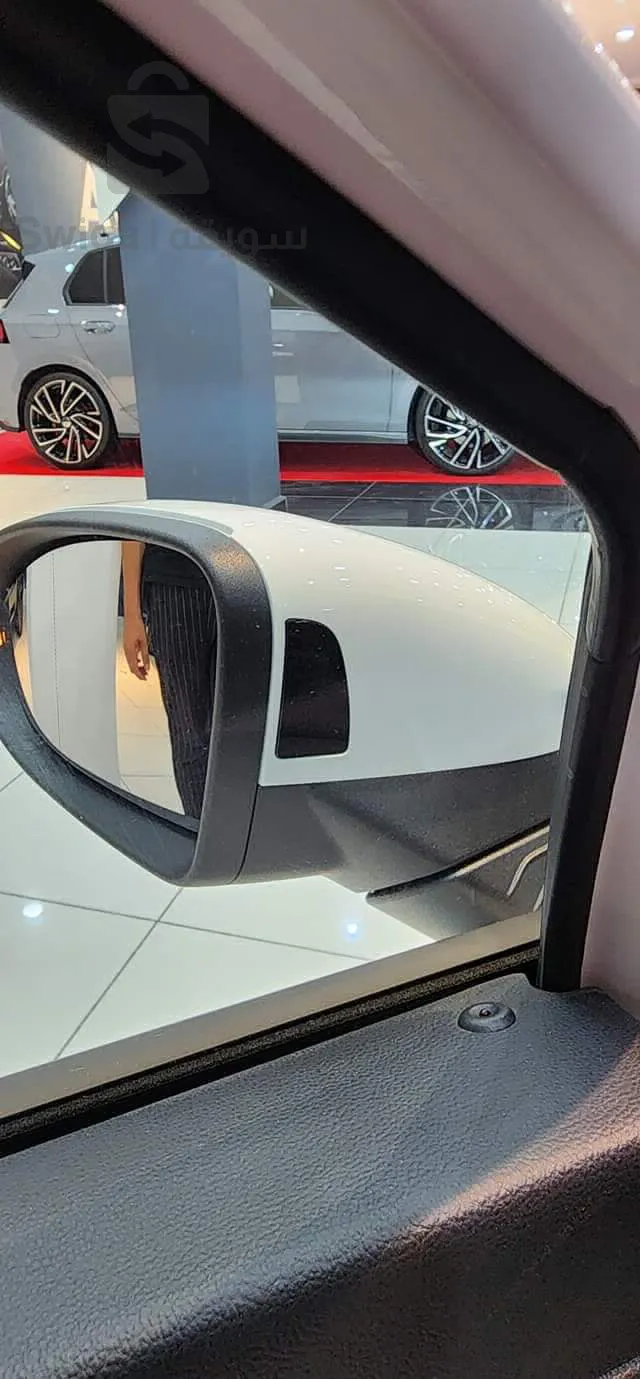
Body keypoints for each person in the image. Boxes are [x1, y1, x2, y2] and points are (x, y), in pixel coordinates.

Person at [121, 541, 217, 818]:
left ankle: (234, 830)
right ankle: (199, 828)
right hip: (172, 581)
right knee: (189, 731)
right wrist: (132, 614)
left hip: (242, 577)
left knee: (241, 729)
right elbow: (134, 530)